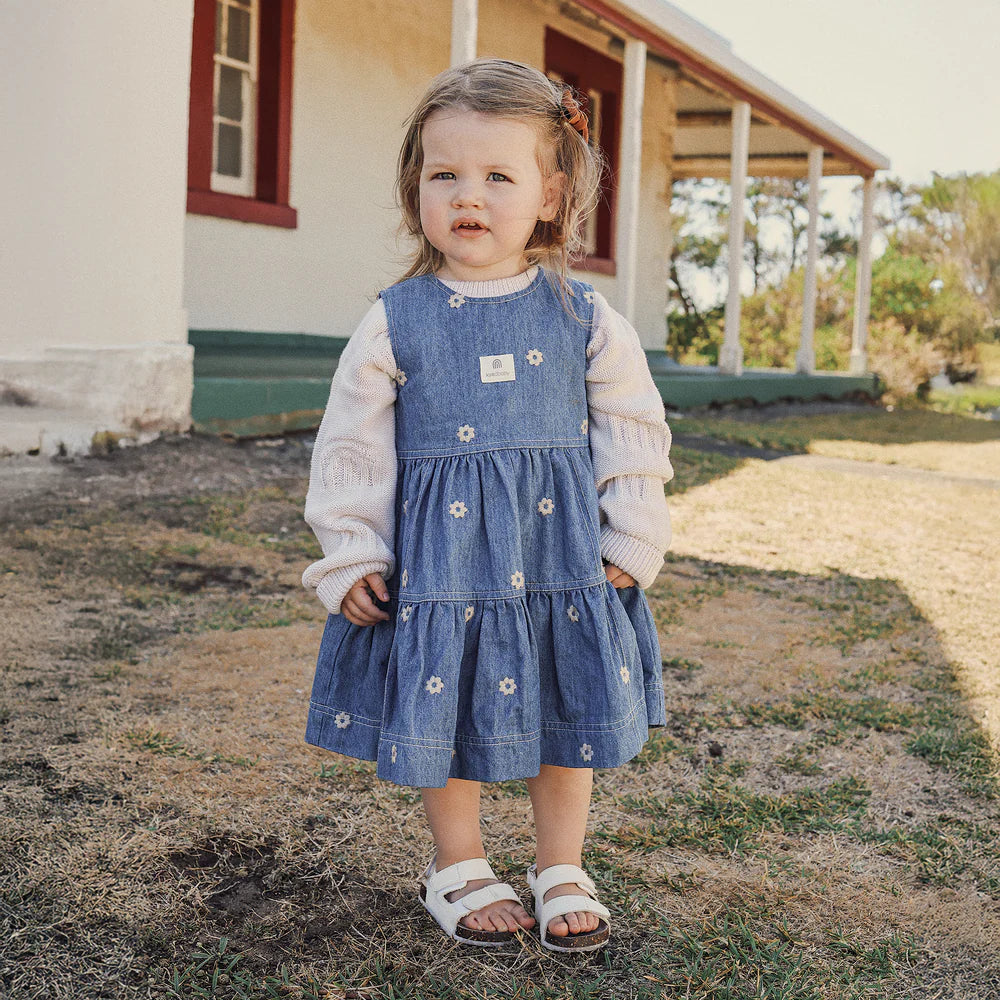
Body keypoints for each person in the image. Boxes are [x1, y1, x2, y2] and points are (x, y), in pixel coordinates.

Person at [302, 58, 673, 953]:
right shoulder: (397, 318)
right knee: (446, 694)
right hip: (445, 565)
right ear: (416, 189)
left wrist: (633, 533)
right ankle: (459, 863)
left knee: (564, 695)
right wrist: (351, 551)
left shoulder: (585, 317)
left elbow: (632, 428)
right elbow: (350, 444)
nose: (469, 196)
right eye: (445, 176)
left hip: (559, 558)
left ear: (551, 193)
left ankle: (559, 863)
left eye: (498, 176)